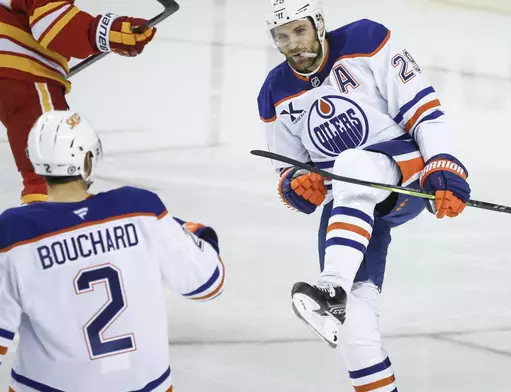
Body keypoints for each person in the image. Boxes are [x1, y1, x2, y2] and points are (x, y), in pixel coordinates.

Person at [257, 0, 471, 390]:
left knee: (353, 163)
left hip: (401, 174)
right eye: (282, 36)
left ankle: (331, 285)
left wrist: (443, 161)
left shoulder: (366, 39)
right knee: (353, 326)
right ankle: (340, 298)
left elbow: (423, 108)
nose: (293, 43)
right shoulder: (274, 91)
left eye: (300, 31)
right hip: (349, 206)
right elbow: (289, 167)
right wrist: (295, 184)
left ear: (319, 24)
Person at [0, 111, 225, 391]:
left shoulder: (13, 232)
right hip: (146, 385)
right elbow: (208, 283)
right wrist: (199, 233)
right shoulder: (140, 209)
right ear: (88, 159)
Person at [0, 0, 156, 204]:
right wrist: (109, 32)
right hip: (21, 74)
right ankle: (52, 229)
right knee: (52, 167)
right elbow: (54, 25)